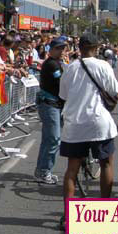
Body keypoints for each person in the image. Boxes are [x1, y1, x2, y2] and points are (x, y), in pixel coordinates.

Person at [58, 34, 118, 230]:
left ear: (80, 47)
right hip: (98, 121)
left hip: (74, 124)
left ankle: (68, 217)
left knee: (71, 170)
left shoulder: (70, 68)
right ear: (97, 47)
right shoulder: (103, 66)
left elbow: (64, 95)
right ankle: (104, 211)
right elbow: (113, 90)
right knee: (107, 163)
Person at [33, 37, 67, 185]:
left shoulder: (59, 63)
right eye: (58, 48)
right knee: (53, 139)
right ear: (51, 49)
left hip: (55, 104)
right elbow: (62, 83)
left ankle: (42, 170)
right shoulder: (52, 64)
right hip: (49, 104)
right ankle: (43, 171)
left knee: (49, 139)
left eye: (63, 48)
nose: (61, 51)